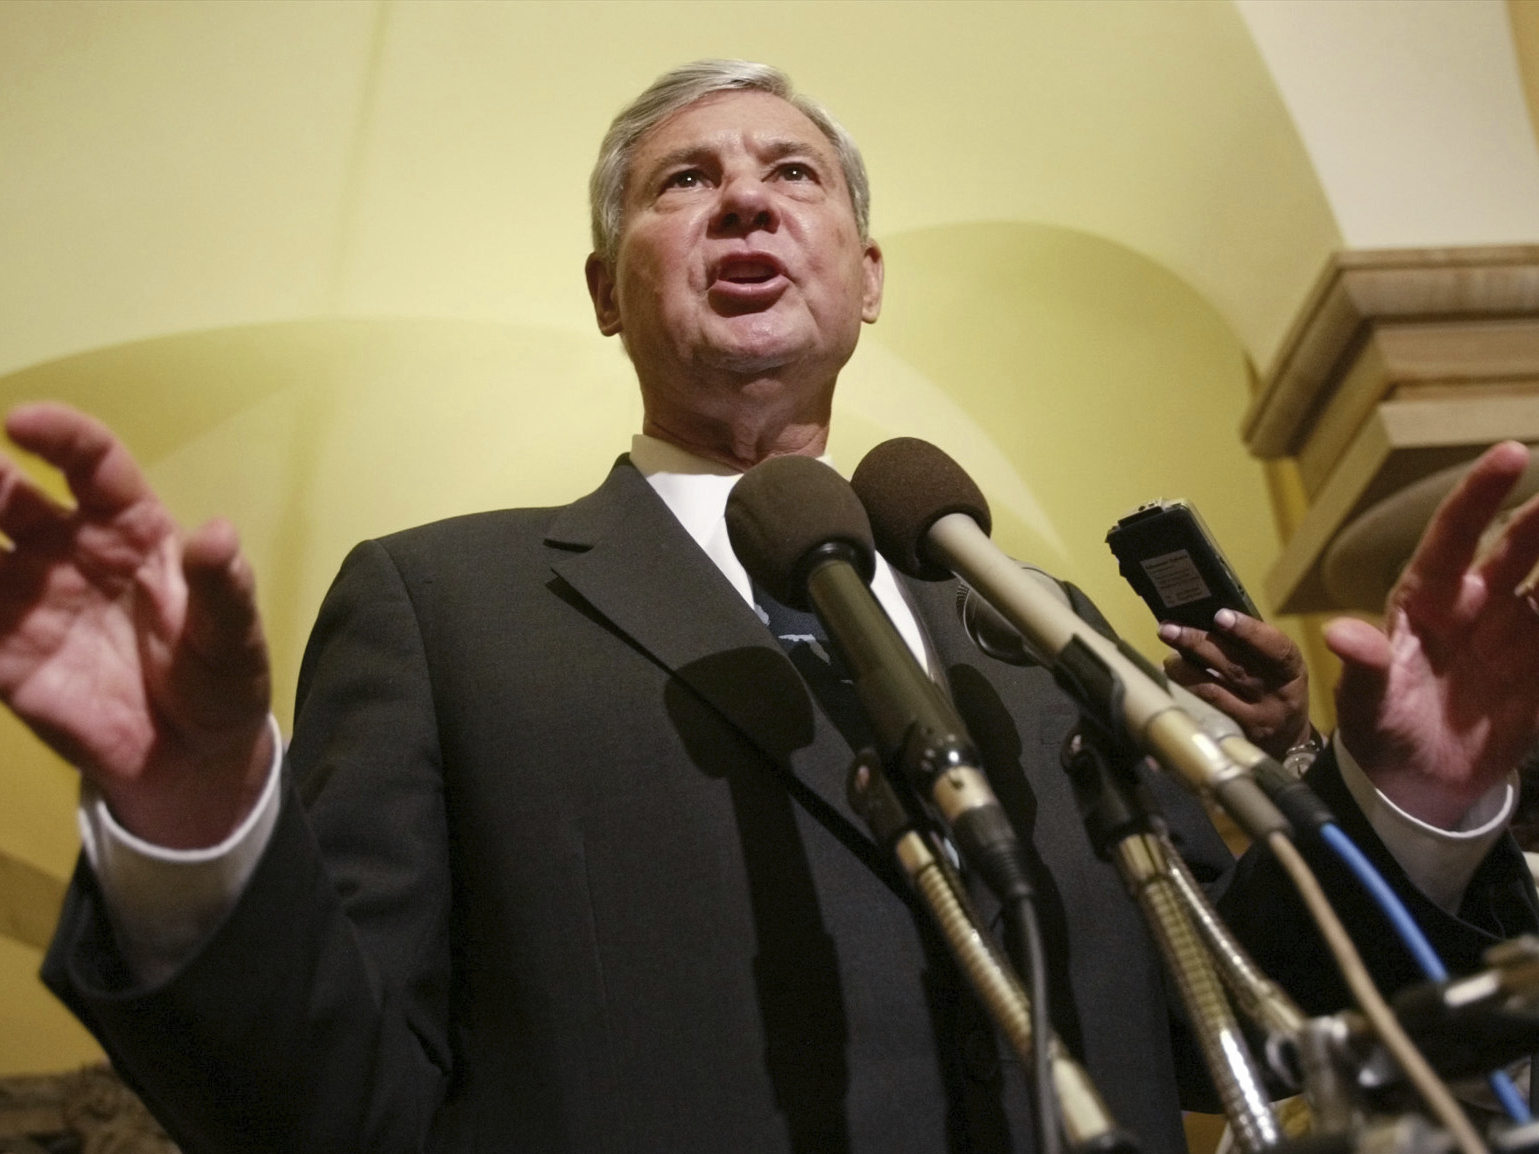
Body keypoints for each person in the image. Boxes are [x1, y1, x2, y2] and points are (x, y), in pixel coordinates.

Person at [2, 59, 1535, 1154]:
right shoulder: (441, 602)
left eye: (789, 175)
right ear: (608, 285)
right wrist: (196, 824)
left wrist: (1428, 802)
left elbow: (1264, 1018)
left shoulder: (1037, 615)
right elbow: (335, 1105)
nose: (745, 202)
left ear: (867, 280)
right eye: (689, 181)